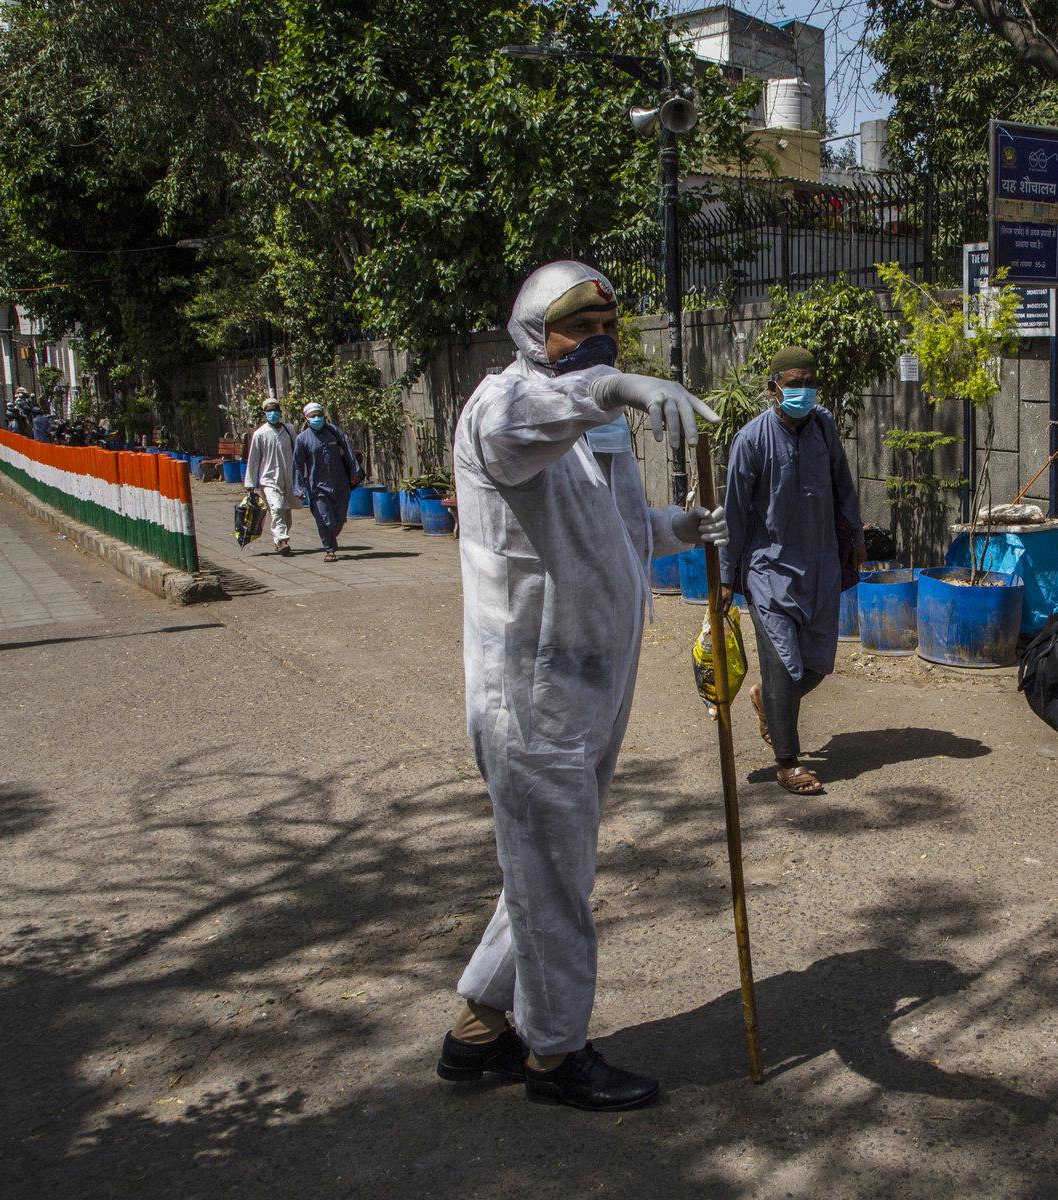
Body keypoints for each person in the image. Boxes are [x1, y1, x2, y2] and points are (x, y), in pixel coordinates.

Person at [440, 260, 725, 1112]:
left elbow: (615, 531)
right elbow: (526, 421)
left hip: (592, 694)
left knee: (545, 869)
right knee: (556, 875)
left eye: (608, 329)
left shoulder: (593, 428)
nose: (597, 343)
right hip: (531, 698)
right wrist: (617, 385)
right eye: (577, 329)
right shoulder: (505, 406)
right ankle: (556, 1055)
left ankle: (479, 1033)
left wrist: (677, 528)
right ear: (535, 336)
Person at [719, 345, 865, 795]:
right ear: (774, 388)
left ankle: (770, 702)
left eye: (808, 382)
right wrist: (726, 578)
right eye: (793, 383)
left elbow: (843, 485)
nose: (802, 390)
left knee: (816, 665)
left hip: (820, 567)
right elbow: (736, 513)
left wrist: (856, 539)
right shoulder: (752, 441)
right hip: (770, 572)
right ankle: (787, 761)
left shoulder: (824, 429)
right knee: (784, 664)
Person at [292, 400, 360, 562]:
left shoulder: (334, 432)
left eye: (319, 415)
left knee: (339, 518)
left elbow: (349, 451)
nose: (316, 419)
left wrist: (354, 471)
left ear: (324, 416)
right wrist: (299, 488)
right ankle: (330, 550)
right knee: (324, 519)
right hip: (317, 486)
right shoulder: (302, 439)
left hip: (340, 483)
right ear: (306, 418)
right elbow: (298, 465)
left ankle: (331, 537)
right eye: (312, 416)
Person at [243, 398, 297, 555]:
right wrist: (250, 483)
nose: (273, 414)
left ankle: (280, 539)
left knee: (286, 513)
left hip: (288, 477)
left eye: (275, 410)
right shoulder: (260, 434)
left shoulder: (289, 430)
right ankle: (281, 540)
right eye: (269, 411)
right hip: (269, 479)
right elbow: (253, 460)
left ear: (280, 413)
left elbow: (297, 452)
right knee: (277, 507)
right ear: (264, 413)